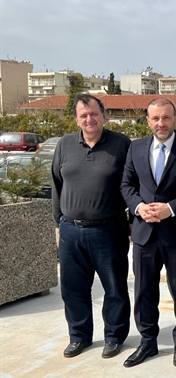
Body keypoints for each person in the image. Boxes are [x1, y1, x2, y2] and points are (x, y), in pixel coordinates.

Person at [52, 93, 131, 359]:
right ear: (76, 119)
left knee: (115, 288)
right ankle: (79, 336)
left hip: (109, 230)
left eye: (94, 113)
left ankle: (114, 336)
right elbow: (56, 185)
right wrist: (58, 223)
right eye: (83, 115)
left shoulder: (121, 144)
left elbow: (133, 185)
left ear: (103, 116)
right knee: (73, 289)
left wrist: (133, 221)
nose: (89, 119)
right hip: (70, 231)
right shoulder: (64, 145)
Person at [120, 98, 176, 368]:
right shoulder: (135, 148)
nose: (161, 123)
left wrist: (171, 209)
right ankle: (148, 341)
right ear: (148, 121)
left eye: (166, 118)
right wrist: (139, 207)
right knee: (144, 290)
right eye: (155, 118)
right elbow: (127, 185)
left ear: (175, 118)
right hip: (144, 232)